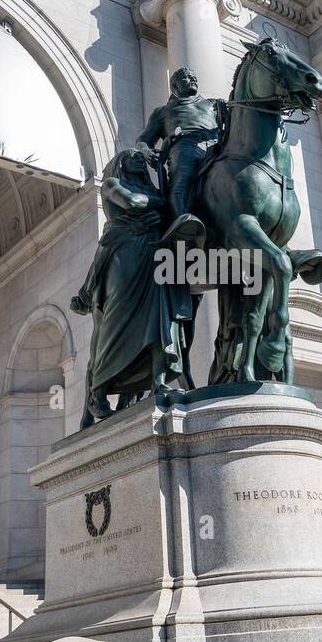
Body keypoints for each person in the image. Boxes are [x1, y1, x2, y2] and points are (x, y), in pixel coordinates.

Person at [70, 146, 194, 425]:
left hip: (152, 255)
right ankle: (97, 391)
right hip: (123, 256)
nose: (139, 159)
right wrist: (165, 199)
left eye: (142, 158)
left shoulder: (150, 189)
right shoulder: (113, 184)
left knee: (159, 319)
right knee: (117, 321)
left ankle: (159, 380)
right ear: (121, 163)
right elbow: (135, 202)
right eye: (132, 157)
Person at [137, 67, 225, 226]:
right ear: (175, 86)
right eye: (186, 77)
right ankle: (184, 227)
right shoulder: (163, 112)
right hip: (185, 147)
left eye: (194, 77)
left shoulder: (213, 104)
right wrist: (146, 152)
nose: (193, 79)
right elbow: (143, 139)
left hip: (216, 144)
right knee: (180, 187)